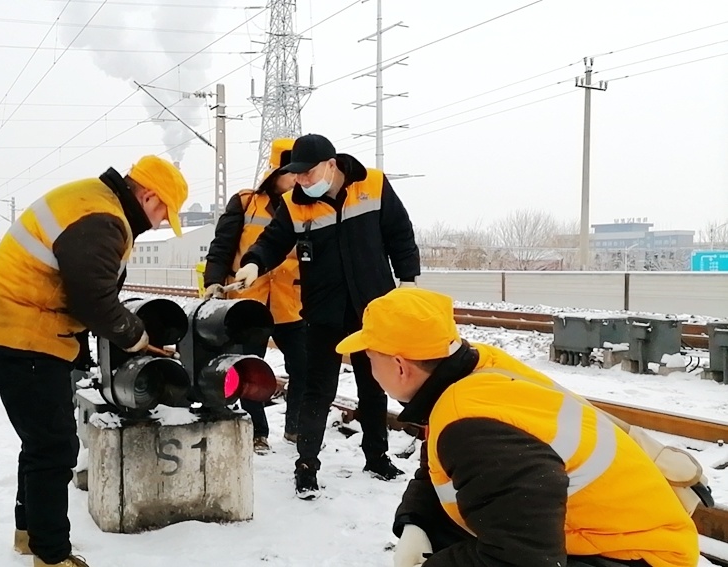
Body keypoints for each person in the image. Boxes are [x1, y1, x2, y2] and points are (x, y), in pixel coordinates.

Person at [335, 287, 701, 567]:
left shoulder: (471, 426)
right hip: (610, 534)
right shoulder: (474, 370)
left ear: (400, 366)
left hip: (637, 556)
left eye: (370, 358)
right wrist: (418, 521)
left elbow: (521, 559)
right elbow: (443, 470)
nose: (368, 368)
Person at [0, 156, 188, 567]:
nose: (158, 223)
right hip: (24, 338)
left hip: (11, 331)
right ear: (149, 195)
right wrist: (136, 337)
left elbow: (85, 290)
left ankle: (28, 533)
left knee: (40, 441)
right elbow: (93, 301)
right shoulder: (104, 218)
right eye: (162, 213)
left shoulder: (93, 199)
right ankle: (50, 556)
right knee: (54, 447)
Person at [234, 133, 421, 499]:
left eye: (308, 172)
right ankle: (306, 465)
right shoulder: (294, 204)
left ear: (331, 165)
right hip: (323, 312)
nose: (302, 180)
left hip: (373, 307)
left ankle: (377, 455)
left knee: (373, 385)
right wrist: (254, 263)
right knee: (318, 390)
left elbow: (399, 233)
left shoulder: (374, 185)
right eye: (297, 174)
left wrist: (409, 278)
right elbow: (272, 241)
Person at [202, 138, 307, 454]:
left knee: (304, 366)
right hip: (250, 304)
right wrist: (213, 281)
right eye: (293, 174)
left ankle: (297, 427)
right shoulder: (245, 203)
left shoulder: (306, 208)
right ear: (276, 172)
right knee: (250, 367)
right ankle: (257, 431)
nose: (298, 181)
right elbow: (222, 246)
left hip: (292, 304)